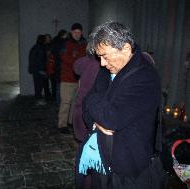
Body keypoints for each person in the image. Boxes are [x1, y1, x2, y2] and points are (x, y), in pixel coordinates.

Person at [81, 21, 162, 188]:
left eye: (105, 56)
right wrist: (96, 122)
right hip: (103, 161)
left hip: (127, 170)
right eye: (99, 57)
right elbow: (86, 109)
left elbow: (111, 118)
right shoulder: (107, 71)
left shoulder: (145, 77)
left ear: (125, 48)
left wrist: (92, 101)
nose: (102, 63)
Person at [58, 23, 87, 134]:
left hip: (79, 79)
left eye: (79, 32)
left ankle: (71, 122)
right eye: (75, 32)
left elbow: (86, 57)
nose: (77, 34)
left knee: (75, 103)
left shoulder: (83, 44)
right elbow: (65, 57)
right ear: (71, 32)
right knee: (66, 102)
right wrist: (78, 62)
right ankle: (62, 124)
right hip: (67, 78)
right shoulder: (66, 43)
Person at [73, 53, 100, 142]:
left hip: (83, 101)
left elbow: (76, 68)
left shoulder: (88, 61)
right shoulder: (95, 63)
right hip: (89, 103)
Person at [28, 35, 50, 105]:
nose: (46, 40)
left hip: (38, 70)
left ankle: (38, 99)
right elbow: (38, 60)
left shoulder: (37, 47)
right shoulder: (39, 48)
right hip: (39, 70)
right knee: (38, 86)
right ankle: (38, 100)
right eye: (45, 39)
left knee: (39, 86)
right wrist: (41, 70)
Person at [51, 29, 68, 103]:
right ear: (63, 35)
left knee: (58, 85)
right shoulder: (63, 43)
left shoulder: (54, 41)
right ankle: (60, 103)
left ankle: (58, 102)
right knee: (62, 86)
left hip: (57, 65)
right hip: (61, 66)